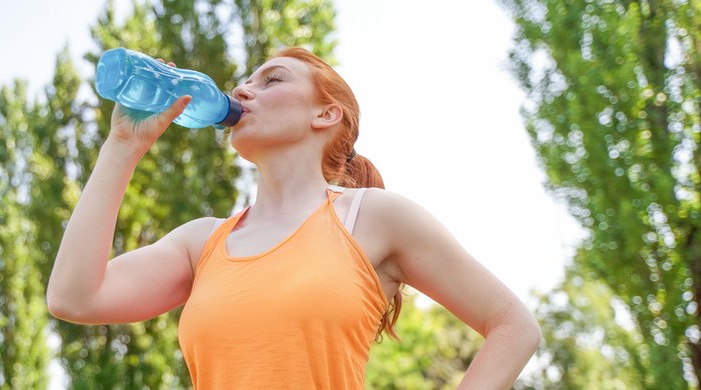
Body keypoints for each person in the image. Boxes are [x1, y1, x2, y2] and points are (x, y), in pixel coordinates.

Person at [47, 47, 541, 389]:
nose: (243, 89)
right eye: (246, 80)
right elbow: (73, 297)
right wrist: (123, 146)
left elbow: (514, 326)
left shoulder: (374, 219)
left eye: (272, 79)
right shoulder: (202, 243)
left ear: (326, 115)